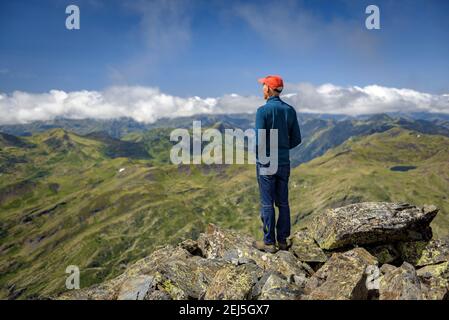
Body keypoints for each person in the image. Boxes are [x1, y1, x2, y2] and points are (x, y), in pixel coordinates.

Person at [253, 75, 302, 253]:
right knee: (283, 203)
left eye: (263, 85)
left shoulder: (262, 111)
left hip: (266, 161)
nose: (262, 88)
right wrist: (281, 147)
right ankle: (282, 241)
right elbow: (296, 139)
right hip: (283, 161)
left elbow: (259, 141)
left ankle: (268, 243)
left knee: (267, 203)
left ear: (269, 89)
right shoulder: (290, 110)